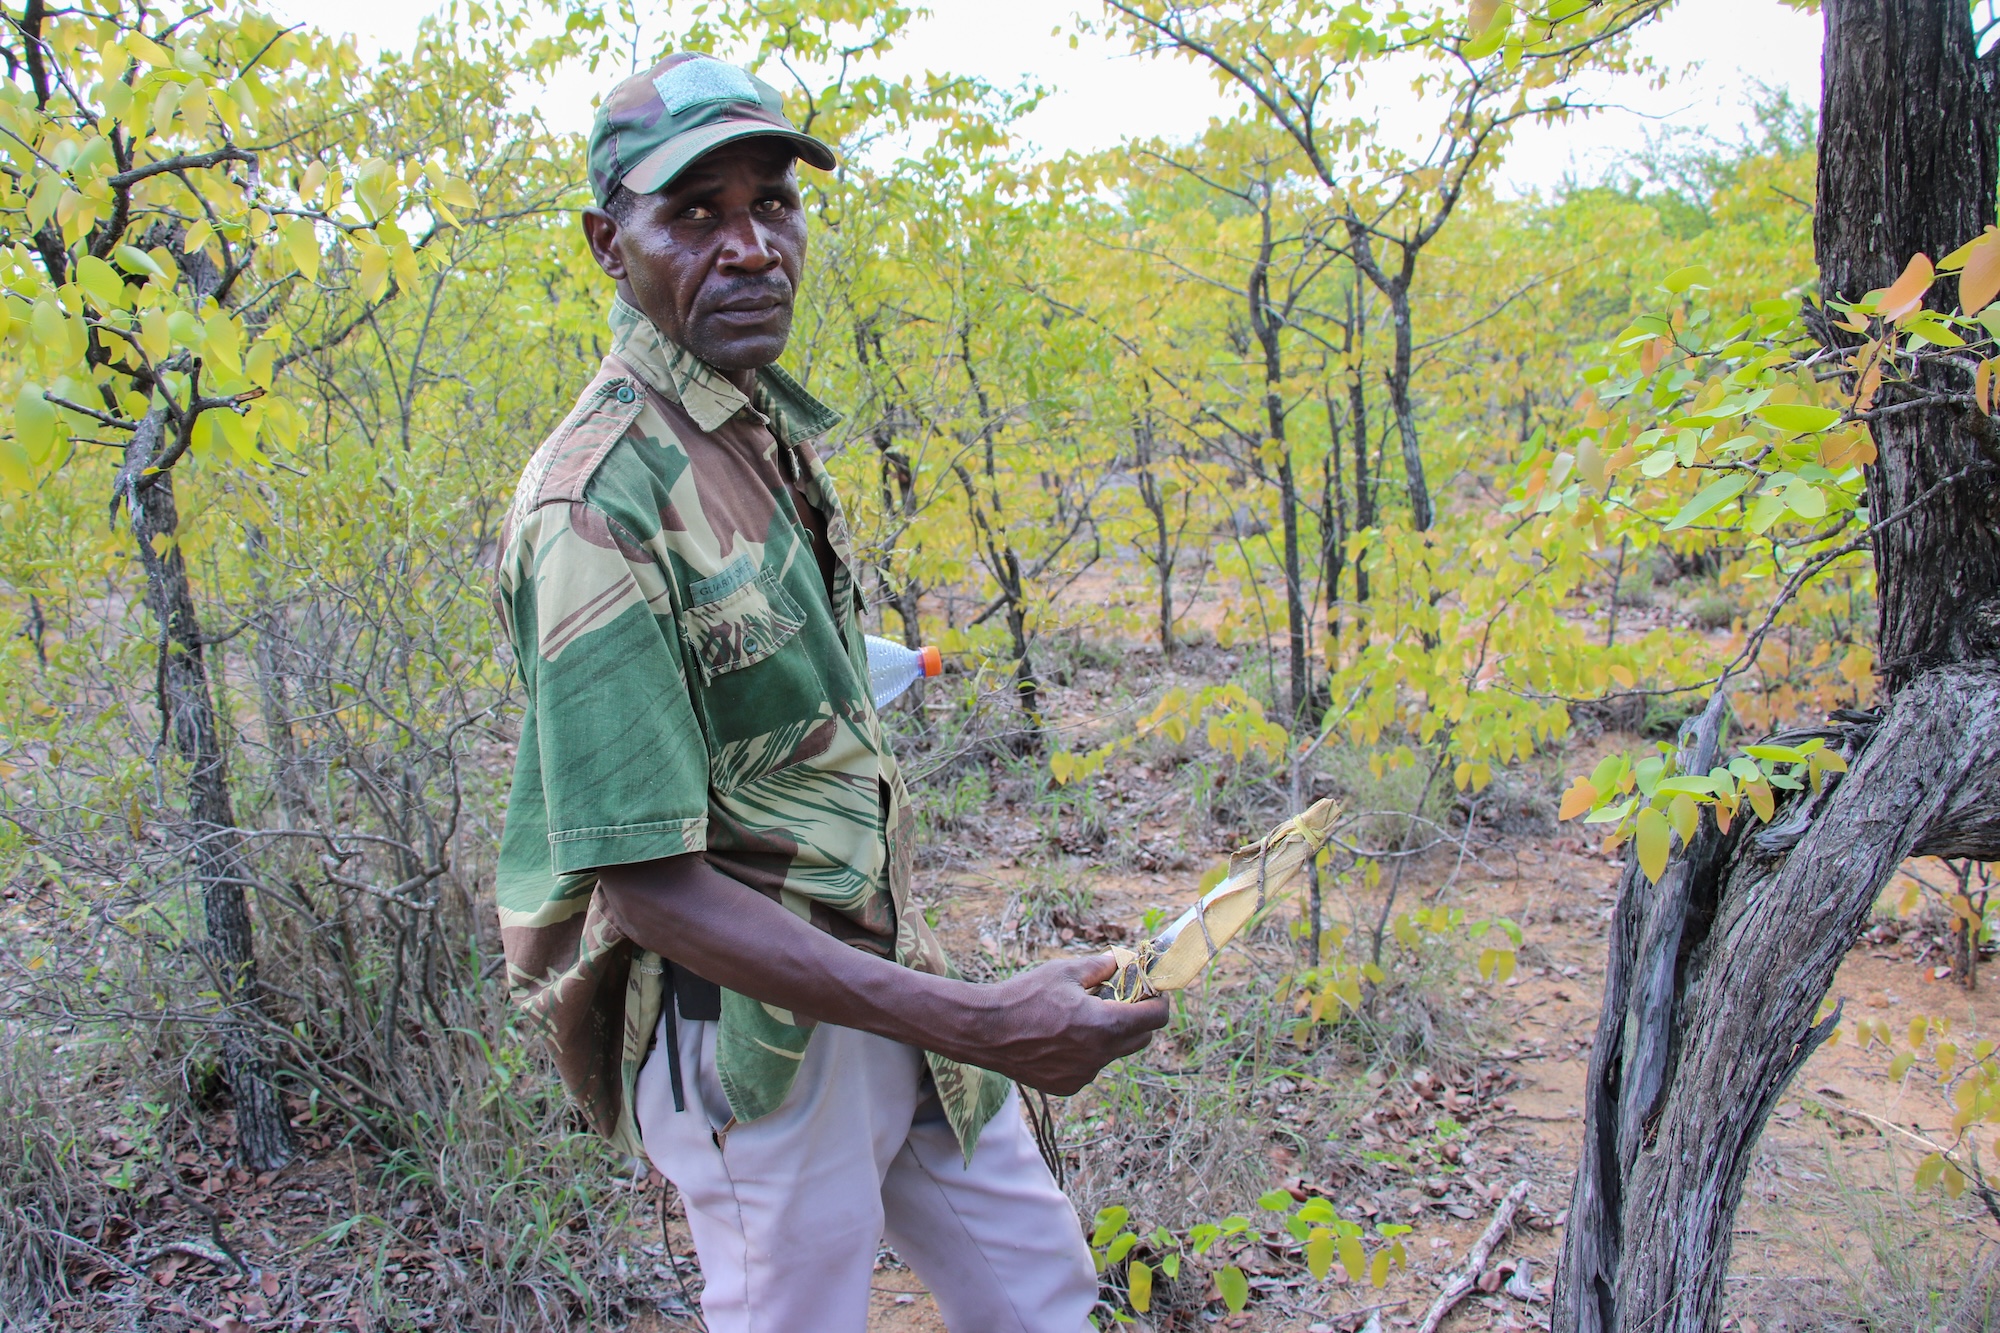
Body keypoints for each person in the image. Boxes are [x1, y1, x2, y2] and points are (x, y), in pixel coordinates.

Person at [491, 52, 1169, 1333]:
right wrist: (977, 1021)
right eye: (693, 213)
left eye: (773, 203)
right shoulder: (597, 500)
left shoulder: (749, 423)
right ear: (607, 242)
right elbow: (647, 883)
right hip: (750, 1033)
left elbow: (752, 697)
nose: (749, 246)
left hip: (875, 974)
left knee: (1040, 1291)